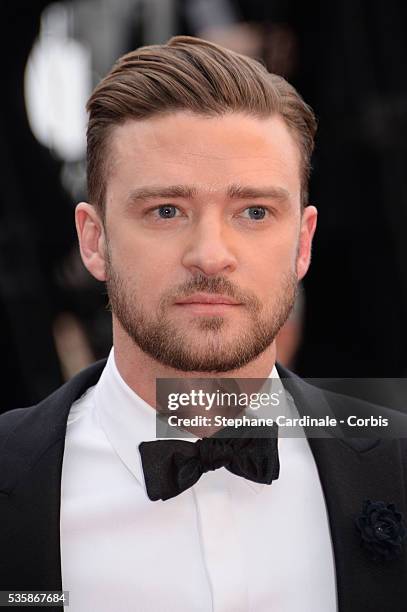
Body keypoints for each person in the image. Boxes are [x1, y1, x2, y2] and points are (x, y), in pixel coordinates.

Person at [1, 35, 407, 612]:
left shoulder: (396, 466)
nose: (211, 254)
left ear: (303, 242)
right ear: (95, 241)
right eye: (166, 211)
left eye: (254, 212)